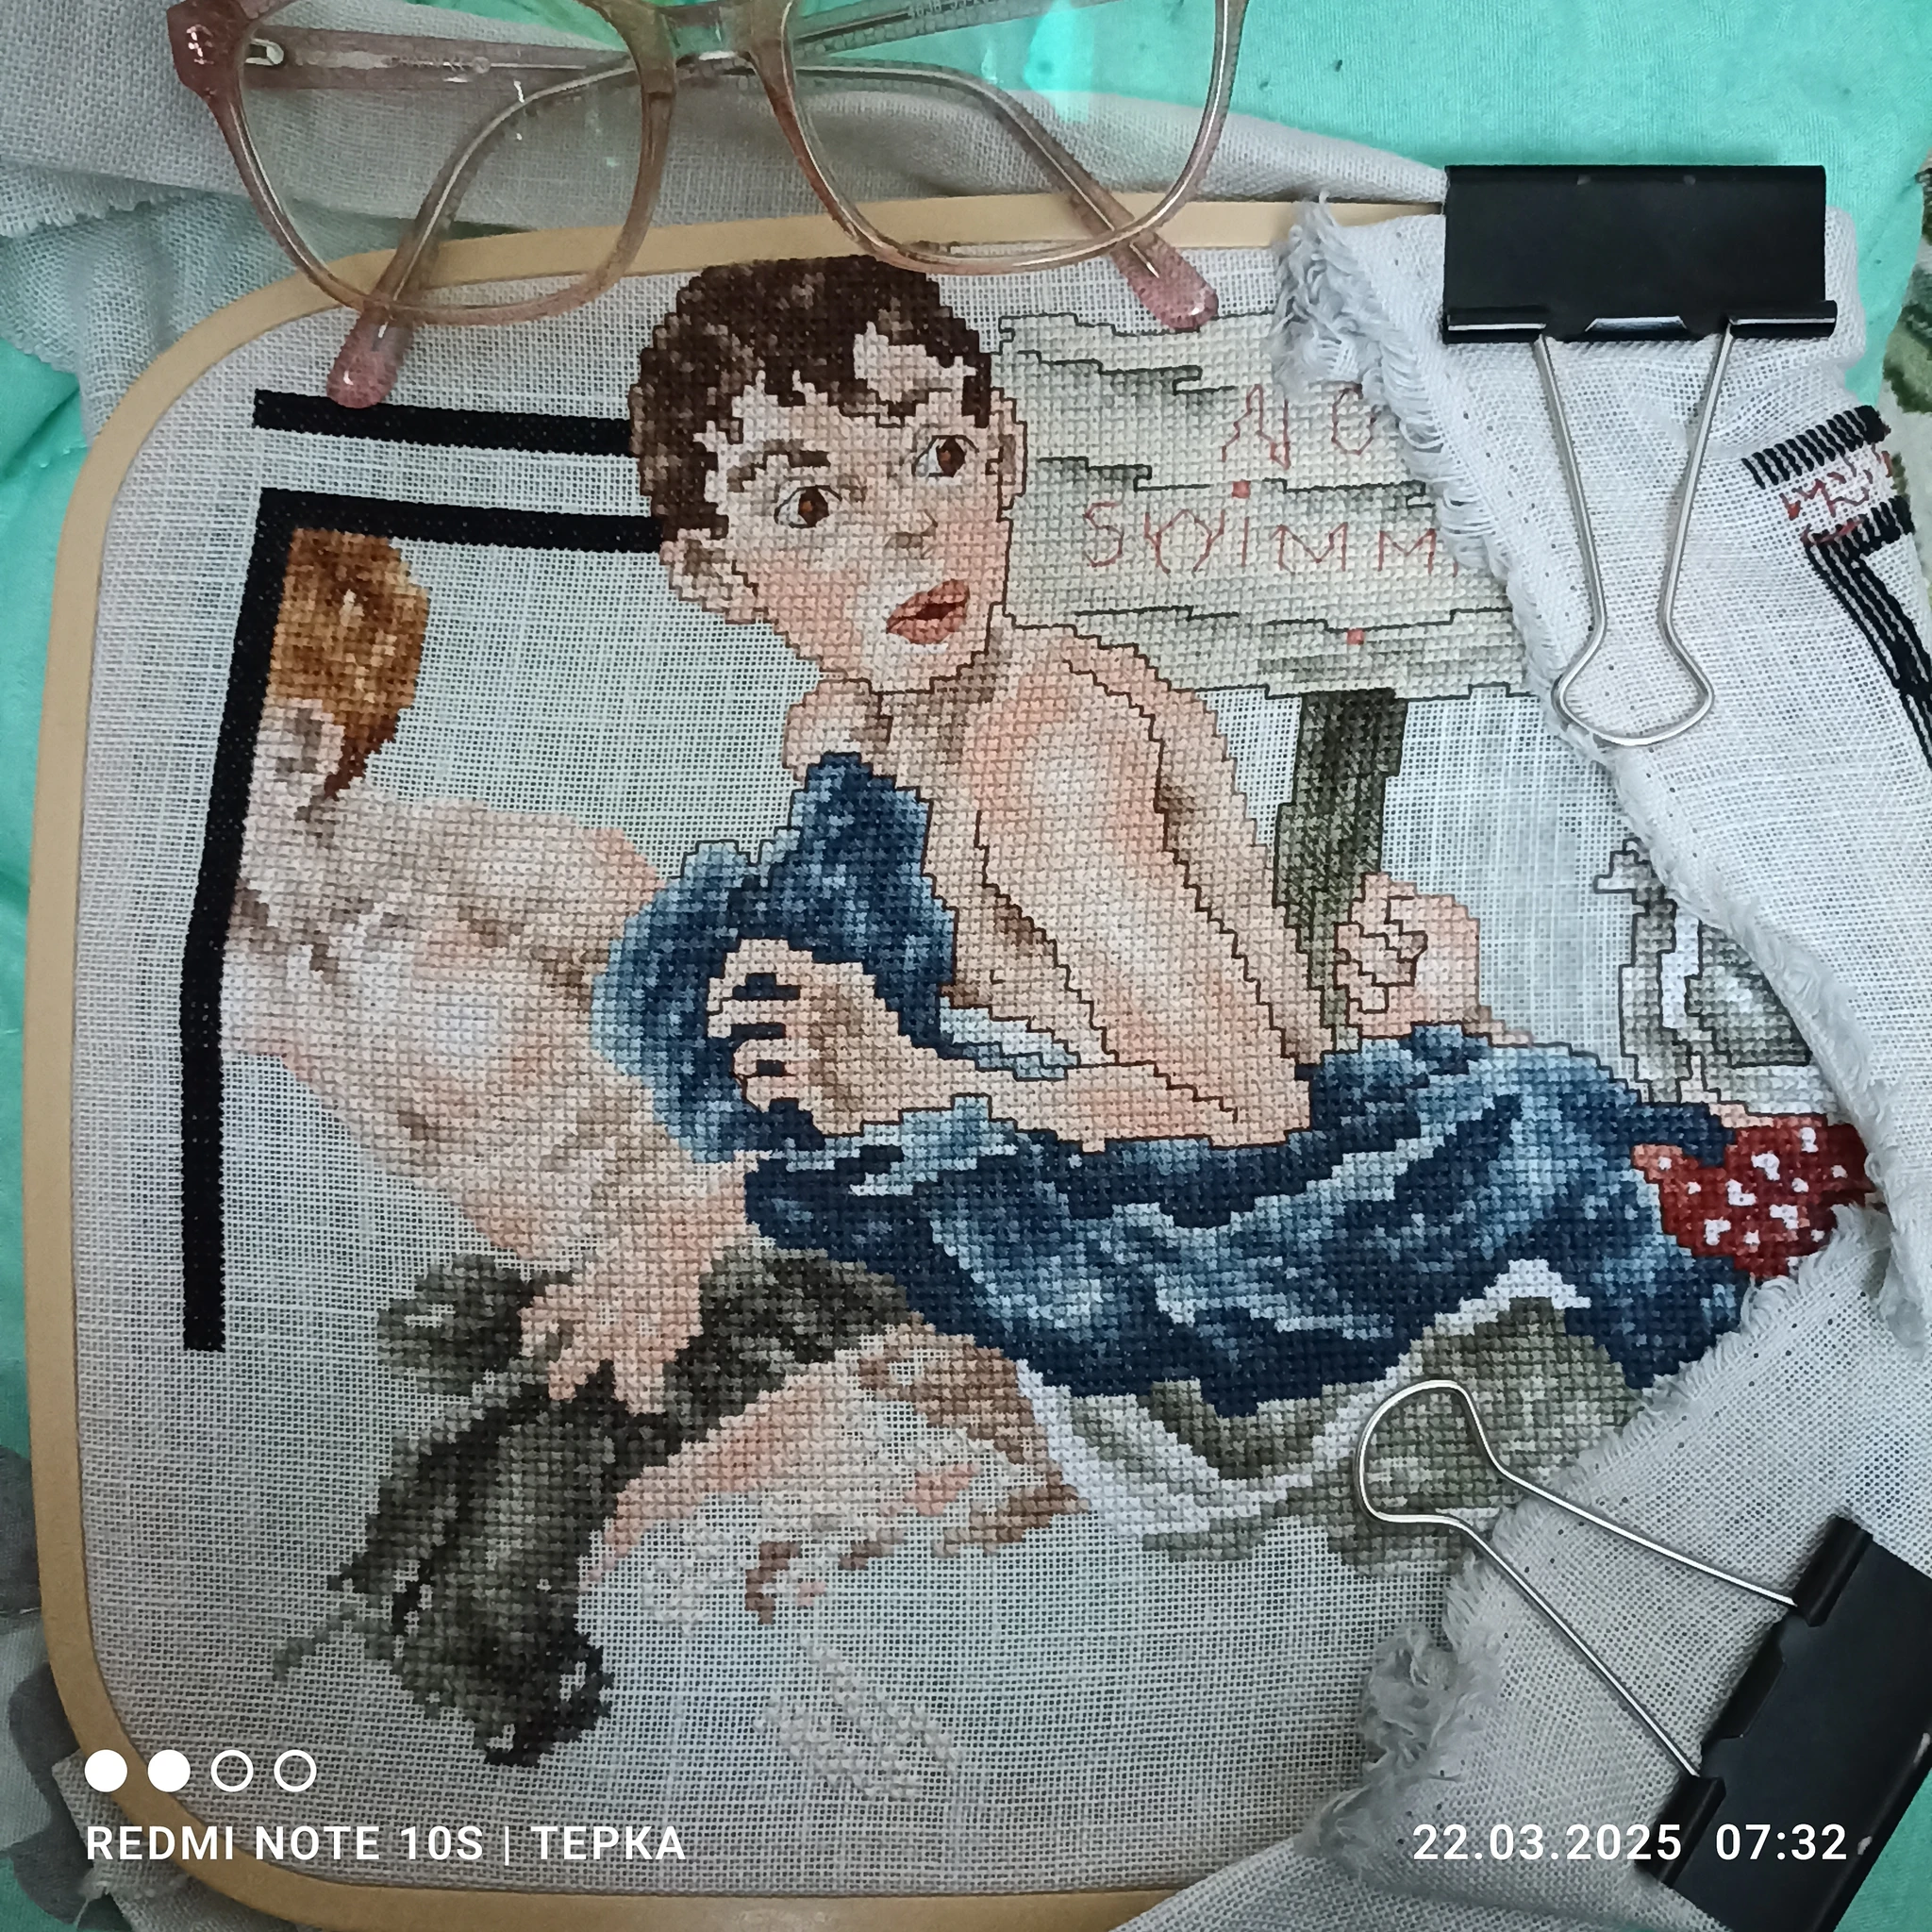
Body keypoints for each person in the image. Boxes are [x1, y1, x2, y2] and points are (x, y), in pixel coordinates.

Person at [596, 256, 1861, 1447]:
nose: (912, 531)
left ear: (1003, 451)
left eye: (937, 455)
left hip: (1249, 1228)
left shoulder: (1044, 753)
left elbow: (1249, 1117)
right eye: (813, 506)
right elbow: (1276, 1045)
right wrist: (1425, 1030)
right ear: (714, 575)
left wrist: (913, 1086)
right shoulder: (845, 728)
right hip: (1244, 1133)